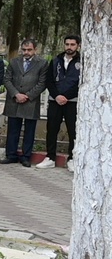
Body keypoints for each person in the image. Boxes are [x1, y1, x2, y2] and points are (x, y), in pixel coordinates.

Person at [0, 39, 48, 167]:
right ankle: (11, 155)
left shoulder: (42, 63)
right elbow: (7, 79)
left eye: (29, 50)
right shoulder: (14, 62)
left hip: (30, 102)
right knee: (12, 130)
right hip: (14, 100)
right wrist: (16, 94)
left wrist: (27, 96)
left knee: (29, 131)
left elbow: (42, 83)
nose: (26, 52)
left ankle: (26, 157)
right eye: (24, 50)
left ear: (35, 50)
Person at [37, 35, 81, 170]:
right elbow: (49, 80)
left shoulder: (83, 61)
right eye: (67, 44)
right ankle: (50, 157)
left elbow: (81, 82)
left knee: (73, 131)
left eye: (72, 44)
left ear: (78, 45)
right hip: (55, 100)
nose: (69, 47)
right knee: (52, 129)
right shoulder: (56, 60)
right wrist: (56, 96)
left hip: (72, 101)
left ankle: (72, 159)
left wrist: (66, 96)